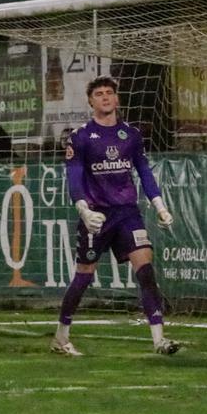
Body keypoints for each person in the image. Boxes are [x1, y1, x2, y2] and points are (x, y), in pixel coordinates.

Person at [51, 76, 179, 357]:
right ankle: (61, 336)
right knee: (84, 276)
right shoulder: (81, 137)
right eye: (99, 94)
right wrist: (83, 210)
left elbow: (143, 171)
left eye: (110, 93)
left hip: (127, 213)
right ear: (91, 101)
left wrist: (159, 205)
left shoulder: (131, 135)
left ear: (117, 99)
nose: (106, 97)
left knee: (145, 269)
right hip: (96, 215)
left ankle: (159, 339)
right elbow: (74, 178)